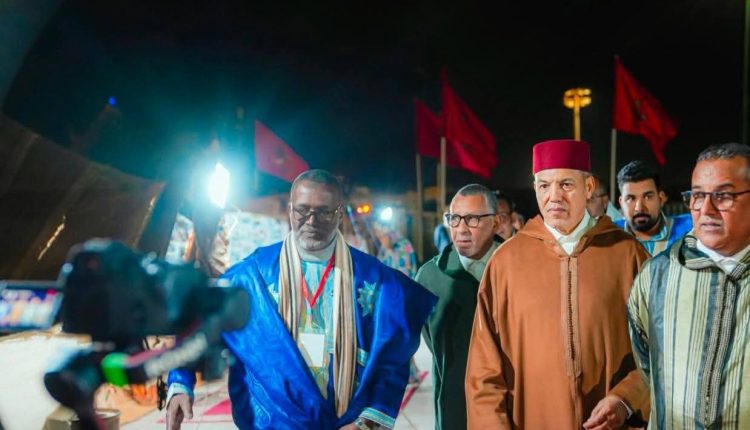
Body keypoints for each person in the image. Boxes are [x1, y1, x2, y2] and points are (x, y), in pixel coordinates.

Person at [165, 169, 437, 430]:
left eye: (323, 212)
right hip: (270, 422)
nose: (311, 221)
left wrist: (367, 422)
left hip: (346, 423)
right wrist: (180, 383)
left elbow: (393, 357)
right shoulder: (254, 274)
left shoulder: (374, 279)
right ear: (290, 209)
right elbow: (201, 324)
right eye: (302, 210)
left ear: (339, 213)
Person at [465, 139, 651, 429]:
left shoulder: (628, 254)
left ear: (589, 187)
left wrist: (627, 398)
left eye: (566, 184)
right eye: (544, 186)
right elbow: (483, 371)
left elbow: (659, 348)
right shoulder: (506, 263)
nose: (554, 197)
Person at [627, 143, 750, 428]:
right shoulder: (657, 276)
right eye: (697, 195)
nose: (706, 209)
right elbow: (646, 362)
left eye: (723, 196)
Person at [417, 184, 501, 430]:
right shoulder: (430, 277)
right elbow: (432, 340)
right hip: (455, 405)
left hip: (510, 403)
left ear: (496, 222)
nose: (461, 228)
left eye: (472, 219)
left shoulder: (517, 267)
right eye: (454, 218)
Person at [614, 160, 692, 256]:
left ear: (661, 199)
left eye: (648, 197)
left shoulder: (690, 229)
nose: (639, 208)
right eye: (631, 199)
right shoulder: (609, 235)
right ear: (621, 203)